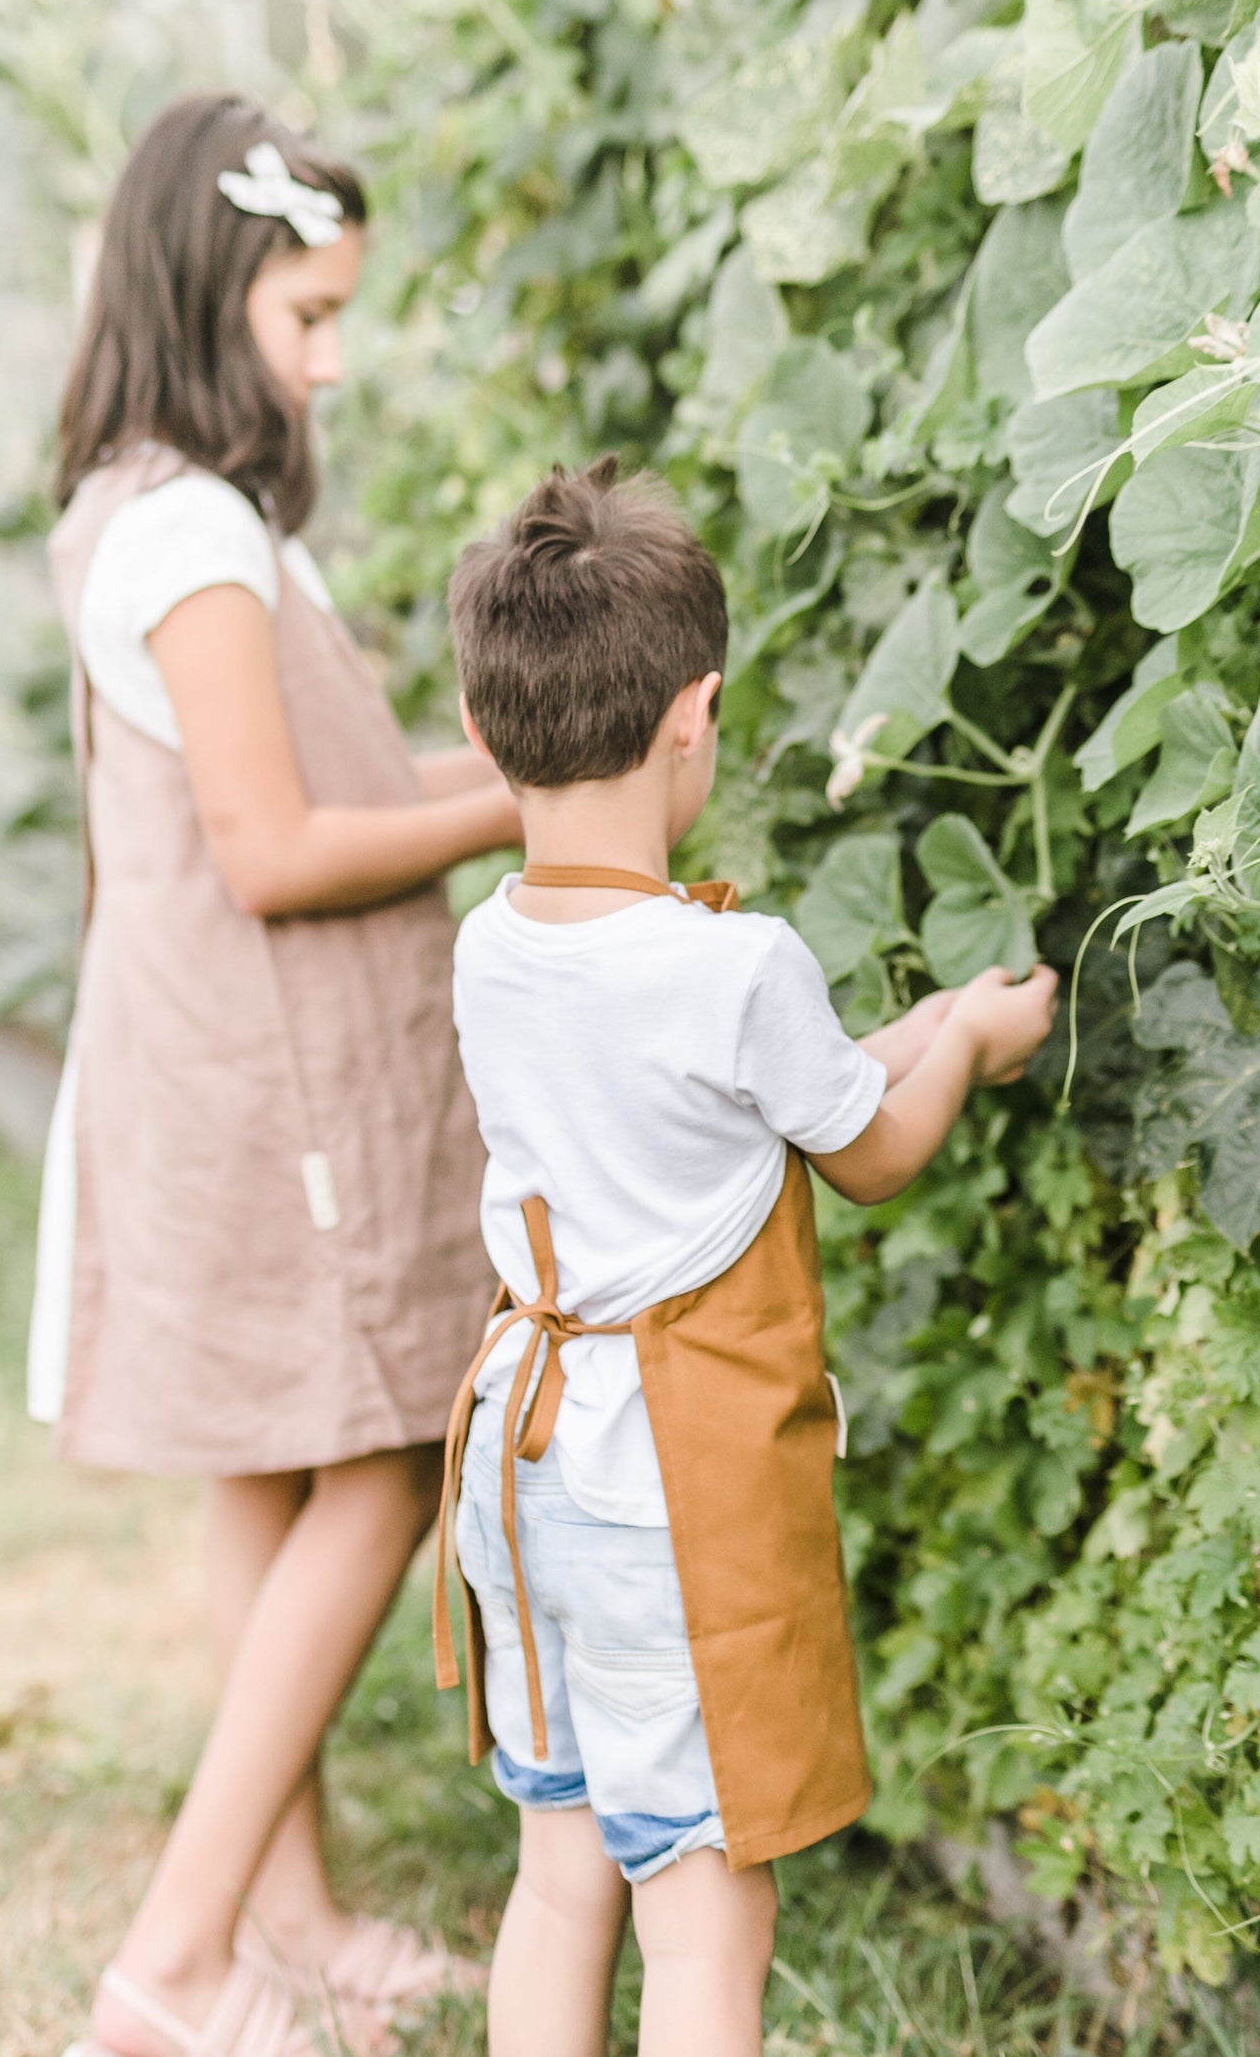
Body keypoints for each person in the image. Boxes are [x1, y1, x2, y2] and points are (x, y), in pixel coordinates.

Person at [433, 457, 1059, 2057]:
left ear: (482, 718)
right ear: (692, 716)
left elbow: (738, 1108)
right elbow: (865, 1152)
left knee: (562, 1862)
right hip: (669, 1486)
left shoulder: (489, 946)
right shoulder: (736, 962)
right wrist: (972, 1042)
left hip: (523, 1460)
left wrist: (904, 1037)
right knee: (705, 1899)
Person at [32, 94, 516, 2057]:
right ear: (215, 284)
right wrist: (517, 807)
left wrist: (501, 783)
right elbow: (275, 846)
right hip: (271, 1088)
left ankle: (284, 1923)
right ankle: (169, 1962)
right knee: (383, 1458)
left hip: (209, 1074)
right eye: (310, 314)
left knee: (266, 1462)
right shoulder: (193, 533)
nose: (332, 357)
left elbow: (315, 792)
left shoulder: (146, 502)